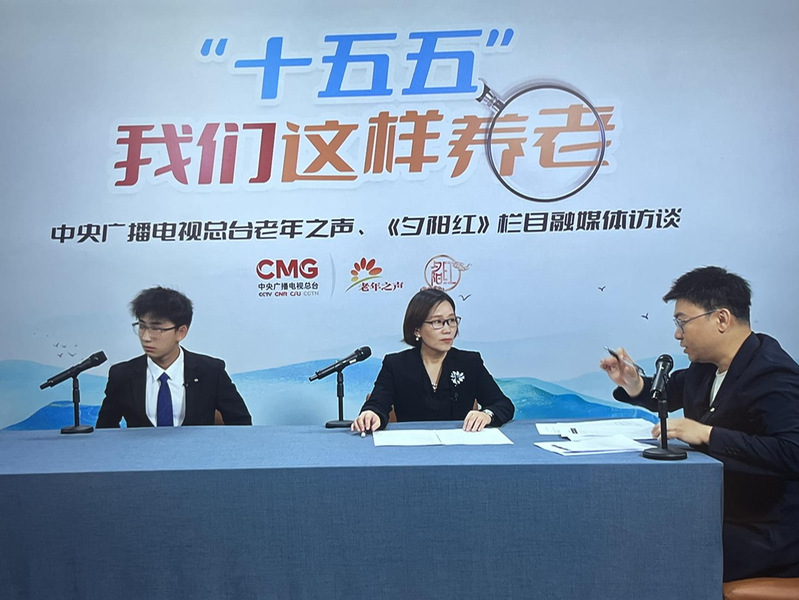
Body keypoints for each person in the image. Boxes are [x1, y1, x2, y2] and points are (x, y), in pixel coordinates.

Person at [600, 266, 799, 582]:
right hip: (715, 512)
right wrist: (633, 382)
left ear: (721, 319)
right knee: (632, 530)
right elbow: (664, 393)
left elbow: (792, 452)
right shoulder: (705, 367)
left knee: (654, 553)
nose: (678, 334)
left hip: (765, 533)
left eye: (683, 322)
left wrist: (708, 434)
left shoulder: (772, 373)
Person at [351, 288, 514, 433]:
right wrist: (371, 414)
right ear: (417, 330)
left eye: (451, 320)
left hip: (461, 449)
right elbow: (377, 403)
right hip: (411, 449)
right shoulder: (396, 365)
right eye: (437, 322)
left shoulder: (470, 362)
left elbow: (502, 404)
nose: (447, 329)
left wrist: (487, 414)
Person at [96, 286, 252, 428]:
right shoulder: (122, 375)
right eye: (142, 326)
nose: (145, 337)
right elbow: (105, 430)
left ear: (181, 332)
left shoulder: (211, 371)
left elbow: (242, 423)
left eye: (156, 329)